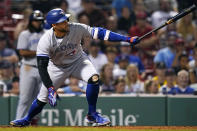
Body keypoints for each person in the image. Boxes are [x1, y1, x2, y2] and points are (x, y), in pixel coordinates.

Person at [10, 8, 140, 127]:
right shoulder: (46, 40)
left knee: (94, 78)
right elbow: (42, 67)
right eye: (62, 21)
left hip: (78, 61)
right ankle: (27, 119)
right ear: (54, 25)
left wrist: (127, 39)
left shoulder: (76, 28)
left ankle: (92, 115)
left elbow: (101, 33)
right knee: (42, 98)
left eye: (66, 19)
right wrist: (50, 88)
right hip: (57, 67)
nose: (66, 22)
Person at [14, 10, 45, 120]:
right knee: (25, 98)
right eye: (36, 21)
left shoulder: (45, 34)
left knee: (38, 99)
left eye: (40, 21)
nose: (38, 23)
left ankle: (34, 122)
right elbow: (22, 52)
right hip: (28, 67)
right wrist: (39, 52)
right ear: (31, 21)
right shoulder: (25, 34)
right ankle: (18, 121)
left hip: (42, 68)